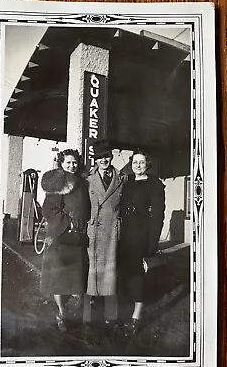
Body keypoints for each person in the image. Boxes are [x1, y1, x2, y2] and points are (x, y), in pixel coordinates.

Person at [40, 149, 90, 331]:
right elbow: (49, 210)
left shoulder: (83, 183)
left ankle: (67, 309)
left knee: (73, 278)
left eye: (75, 162)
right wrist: (69, 224)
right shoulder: (57, 182)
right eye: (68, 162)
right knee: (59, 278)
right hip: (61, 237)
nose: (72, 166)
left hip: (78, 237)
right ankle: (61, 312)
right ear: (61, 163)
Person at [118, 150, 165, 336]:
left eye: (142, 162)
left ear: (148, 164)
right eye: (135, 162)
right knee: (125, 273)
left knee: (138, 276)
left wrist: (152, 243)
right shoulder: (127, 182)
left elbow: (158, 216)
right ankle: (124, 313)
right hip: (124, 236)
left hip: (141, 236)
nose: (138, 165)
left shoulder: (154, 184)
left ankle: (136, 317)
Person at [84, 141, 126, 327]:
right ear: (96, 160)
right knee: (91, 274)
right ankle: (89, 317)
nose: (104, 160)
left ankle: (111, 317)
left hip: (111, 232)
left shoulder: (122, 178)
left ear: (112, 157)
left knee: (110, 274)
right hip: (94, 231)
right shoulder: (88, 179)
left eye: (107, 156)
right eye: (100, 157)